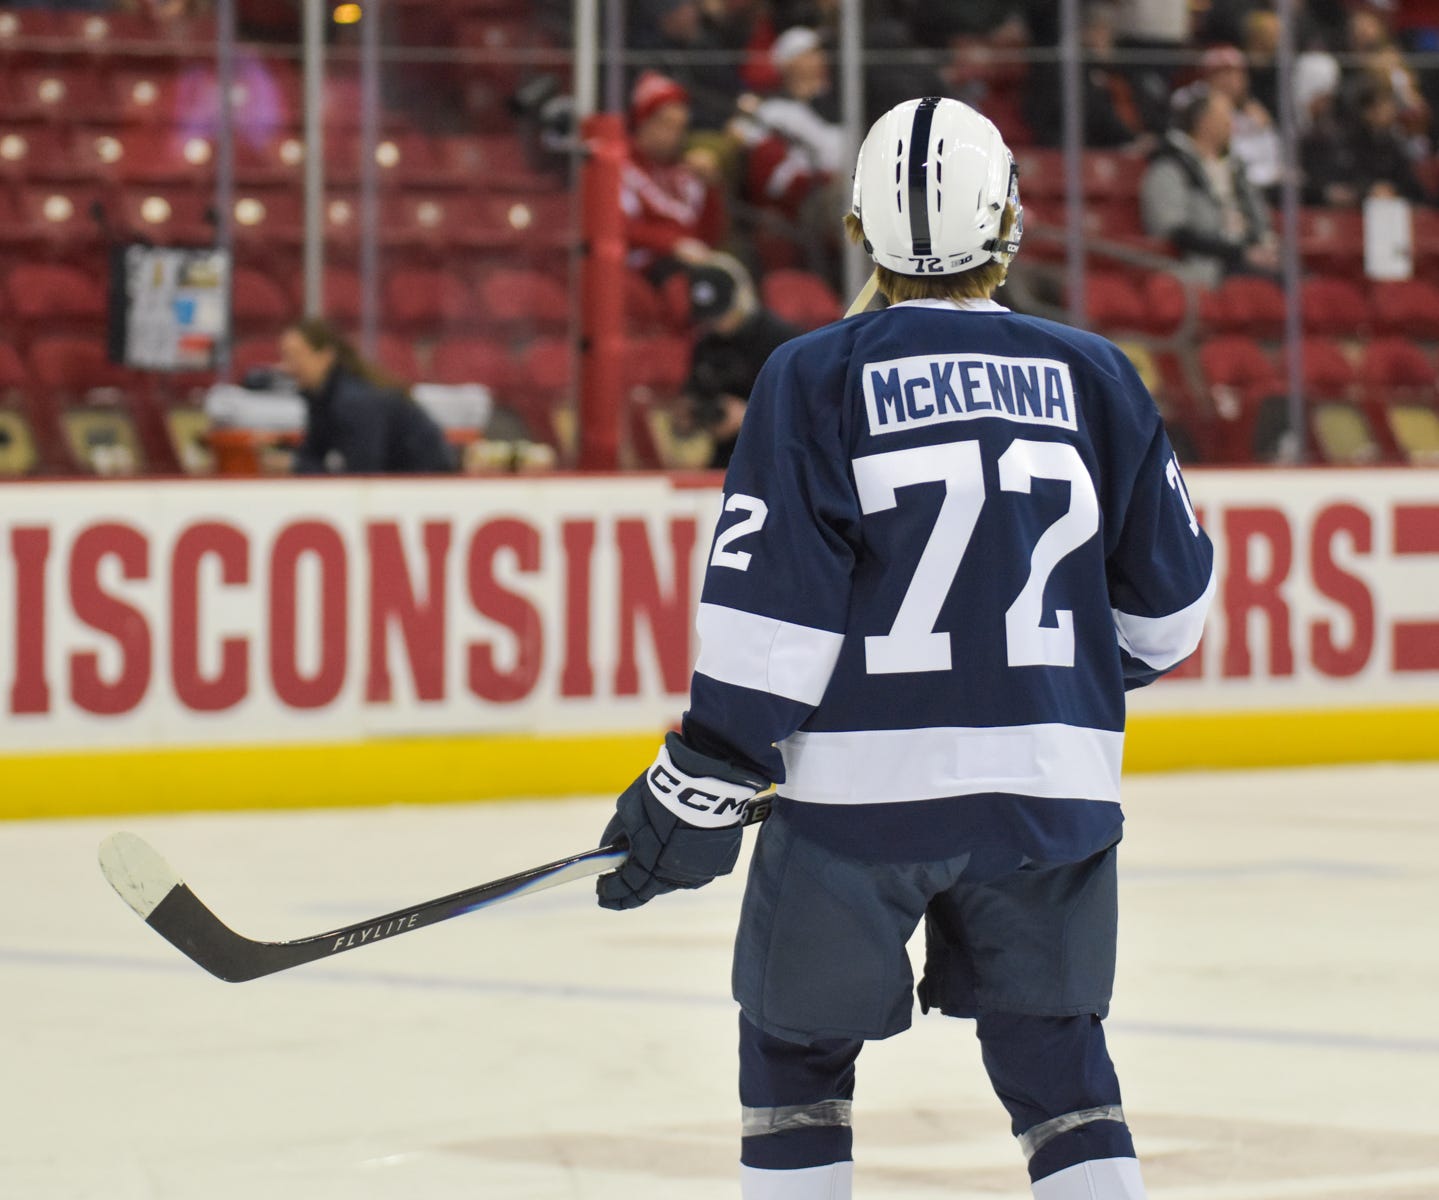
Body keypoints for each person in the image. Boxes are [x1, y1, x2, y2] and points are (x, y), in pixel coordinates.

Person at [595, 96, 1215, 1200]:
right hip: (1049, 795)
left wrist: (701, 781)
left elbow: (770, 622)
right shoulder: (1098, 375)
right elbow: (1167, 620)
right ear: (1009, 222)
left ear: (854, 230)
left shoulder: (813, 375)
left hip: (857, 804)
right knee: (1058, 1069)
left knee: (793, 1059)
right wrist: (1031, 673)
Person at [1140, 85, 1277, 286]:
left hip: (1248, 257)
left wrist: (1262, 244)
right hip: (1208, 265)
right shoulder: (1170, 166)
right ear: (1203, 122)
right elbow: (1172, 230)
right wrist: (1237, 252)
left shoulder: (1235, 169)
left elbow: (1259, 217)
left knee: (1303, 283)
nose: (1231, 125)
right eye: (1225, 117)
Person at [278, 318, 453, 474]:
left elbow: (363, 473)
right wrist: (295, 463)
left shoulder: (354, 401)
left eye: (295, 356)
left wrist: (296, 465)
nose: (286, 367)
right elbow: (313, 454)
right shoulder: (321, 398)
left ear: (325, 356)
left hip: (426, 484)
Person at [679, 253, 800, 468]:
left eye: (721, 314)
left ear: (741, 298)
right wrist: (690, 416)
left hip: (776, 459)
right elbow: (691, 399)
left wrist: (750, 416)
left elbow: (806, 405)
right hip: (726, 459)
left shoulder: (782, 341)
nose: (716, 324)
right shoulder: (705, 345)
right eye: (708, 318)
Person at [622, 70, 729, 279]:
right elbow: (620, 227)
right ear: (643, 122)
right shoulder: (619, 166)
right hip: (642, 271)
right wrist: (672, 244)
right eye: (667, 124)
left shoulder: (685, 172)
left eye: (680, 127)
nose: (675, 135)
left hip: (689, 270)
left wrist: (711, 187)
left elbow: (710, 237)